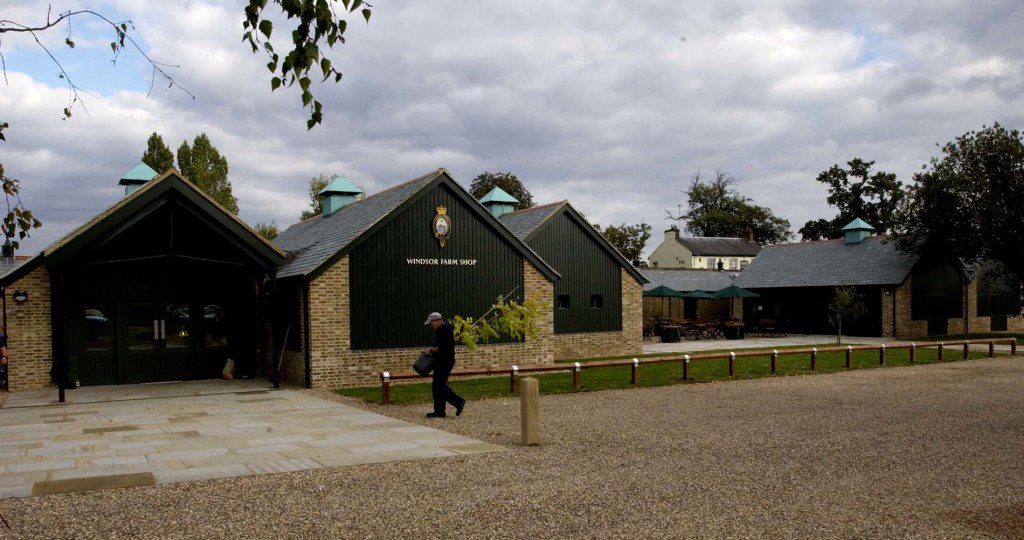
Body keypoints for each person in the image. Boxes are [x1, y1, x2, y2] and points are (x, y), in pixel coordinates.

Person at [423, 312, 465, 418]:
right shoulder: (442, 330)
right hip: (442, 361)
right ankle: (439, 411)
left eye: (431, 324)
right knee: (437, 386)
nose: (430, 326)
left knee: (439, 385)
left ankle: (458, 401)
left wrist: (430, 350)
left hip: (445, 361)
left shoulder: (444, 330)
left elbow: (441, 348)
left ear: (437, 321)